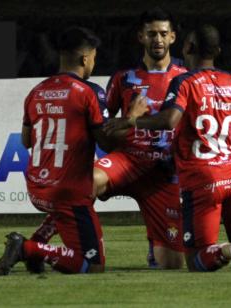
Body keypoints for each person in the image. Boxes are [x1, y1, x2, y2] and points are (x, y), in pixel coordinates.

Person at [105, 24, 231, 272]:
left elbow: (169, 120)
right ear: (217, 50)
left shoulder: (184, 81)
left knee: (196, 260)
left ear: (188, 47)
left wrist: (131, 120)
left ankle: (230, 249)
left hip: (203, 181)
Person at [0, 26, 111, 275]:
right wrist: (132, 118)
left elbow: (26, 141)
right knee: (93, 265)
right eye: (94, 57)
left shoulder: (37, 92)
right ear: (85, 58)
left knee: (85, 183)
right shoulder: (89, 92)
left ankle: (38, 242)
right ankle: (28, 249)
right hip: (67, 193)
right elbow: (106, 143)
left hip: (37, 188)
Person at [93, 7, 186, 269]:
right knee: (86, 182)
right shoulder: (124, 79)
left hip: (164, 174)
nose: (157, 39)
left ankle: (155, 244)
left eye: (163, 34)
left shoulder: (185, 78)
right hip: (128, 160)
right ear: (141, 37)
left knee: (172, 265)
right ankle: (80, 246)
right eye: (151, 34)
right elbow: (104, 129)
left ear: (173, 38)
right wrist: (121, 129)